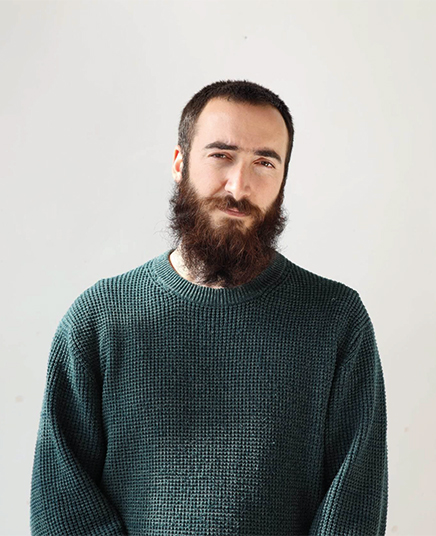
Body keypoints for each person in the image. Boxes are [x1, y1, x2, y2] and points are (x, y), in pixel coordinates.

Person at [30, 80, 388, 535]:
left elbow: (354, 506)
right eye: (221, 155)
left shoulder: (335, 319)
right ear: (179, 163)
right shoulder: (101, 318)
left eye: (264, 163)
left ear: (283, 179)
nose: (239, 186)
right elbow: (62, 501)